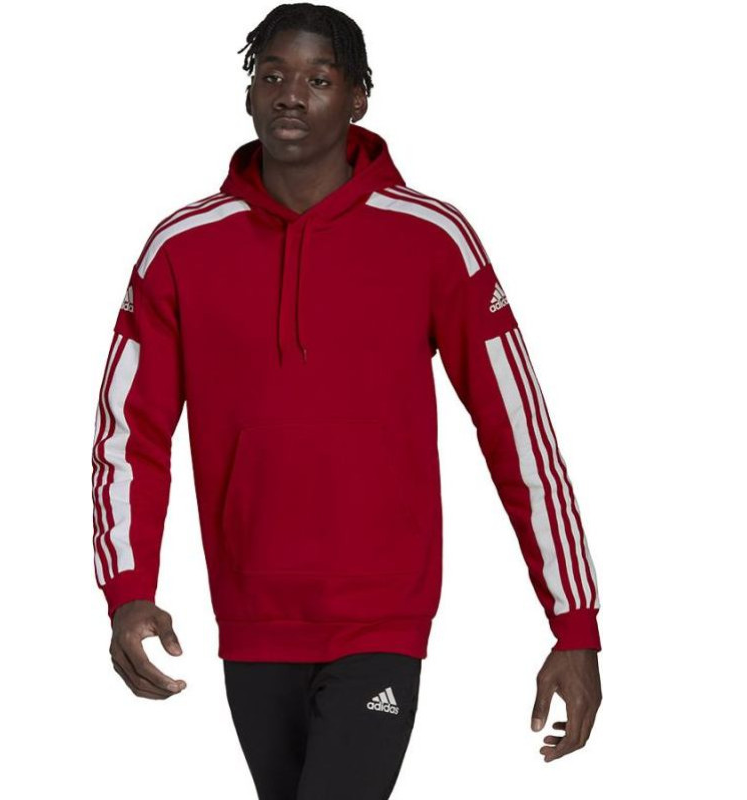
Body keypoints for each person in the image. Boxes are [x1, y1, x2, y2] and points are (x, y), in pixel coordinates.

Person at [91, 3, 603, 797]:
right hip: (252, 622)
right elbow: (130, 435)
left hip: (380, 620)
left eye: (319, 78)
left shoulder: (432, 238)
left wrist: (573, 623)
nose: (291, 94)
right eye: (272, 75)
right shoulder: (180, 248)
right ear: (249, 93)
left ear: (359, 97)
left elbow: (517, 431)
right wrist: (129, 593)